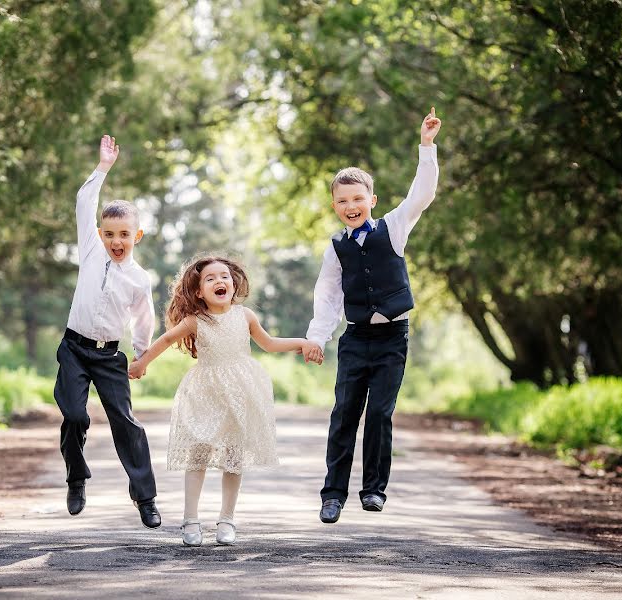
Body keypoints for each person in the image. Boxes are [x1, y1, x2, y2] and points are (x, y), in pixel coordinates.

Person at [305, 108, 442, 523]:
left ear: (372, 201)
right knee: (344, 412)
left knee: (380, 413)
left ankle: (374, 490)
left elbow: (422, 194)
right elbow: (327, 295)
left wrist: (426, 147)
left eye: (358, 199)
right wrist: (318, 337)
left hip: (392, 338)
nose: (351, 206)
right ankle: (333, 495)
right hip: (356, 339)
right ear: (335, 205)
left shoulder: (395, 227)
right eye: (343, 201)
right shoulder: (336, 248)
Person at [129, 255, 321, 545]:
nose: (219, 281)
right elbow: (167, 340)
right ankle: (190, 520)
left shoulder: (245, 316)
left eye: (224, 277)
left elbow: (268, 344)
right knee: (199, 453)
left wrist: (302, 343)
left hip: (241, 392)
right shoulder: (196, 320)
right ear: (198, 292)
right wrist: (142, 363)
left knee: (233, 456)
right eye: (210, 278)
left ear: (233, 284)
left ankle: (227, 519)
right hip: (206, 392)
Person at [53, 134, 160, 529]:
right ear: (100, 234)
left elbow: (144, 318)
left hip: (110, 356)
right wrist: (103, 168)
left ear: (137, 236)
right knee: (75, 415)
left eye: (124, 234)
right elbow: (84, 203)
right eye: (110, 233)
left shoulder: (139, 278)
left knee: (126, 423)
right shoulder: (91, 250)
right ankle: (77, 477)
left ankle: (145, 497)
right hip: (75, 349)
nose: (117, 241)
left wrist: (142, 353)